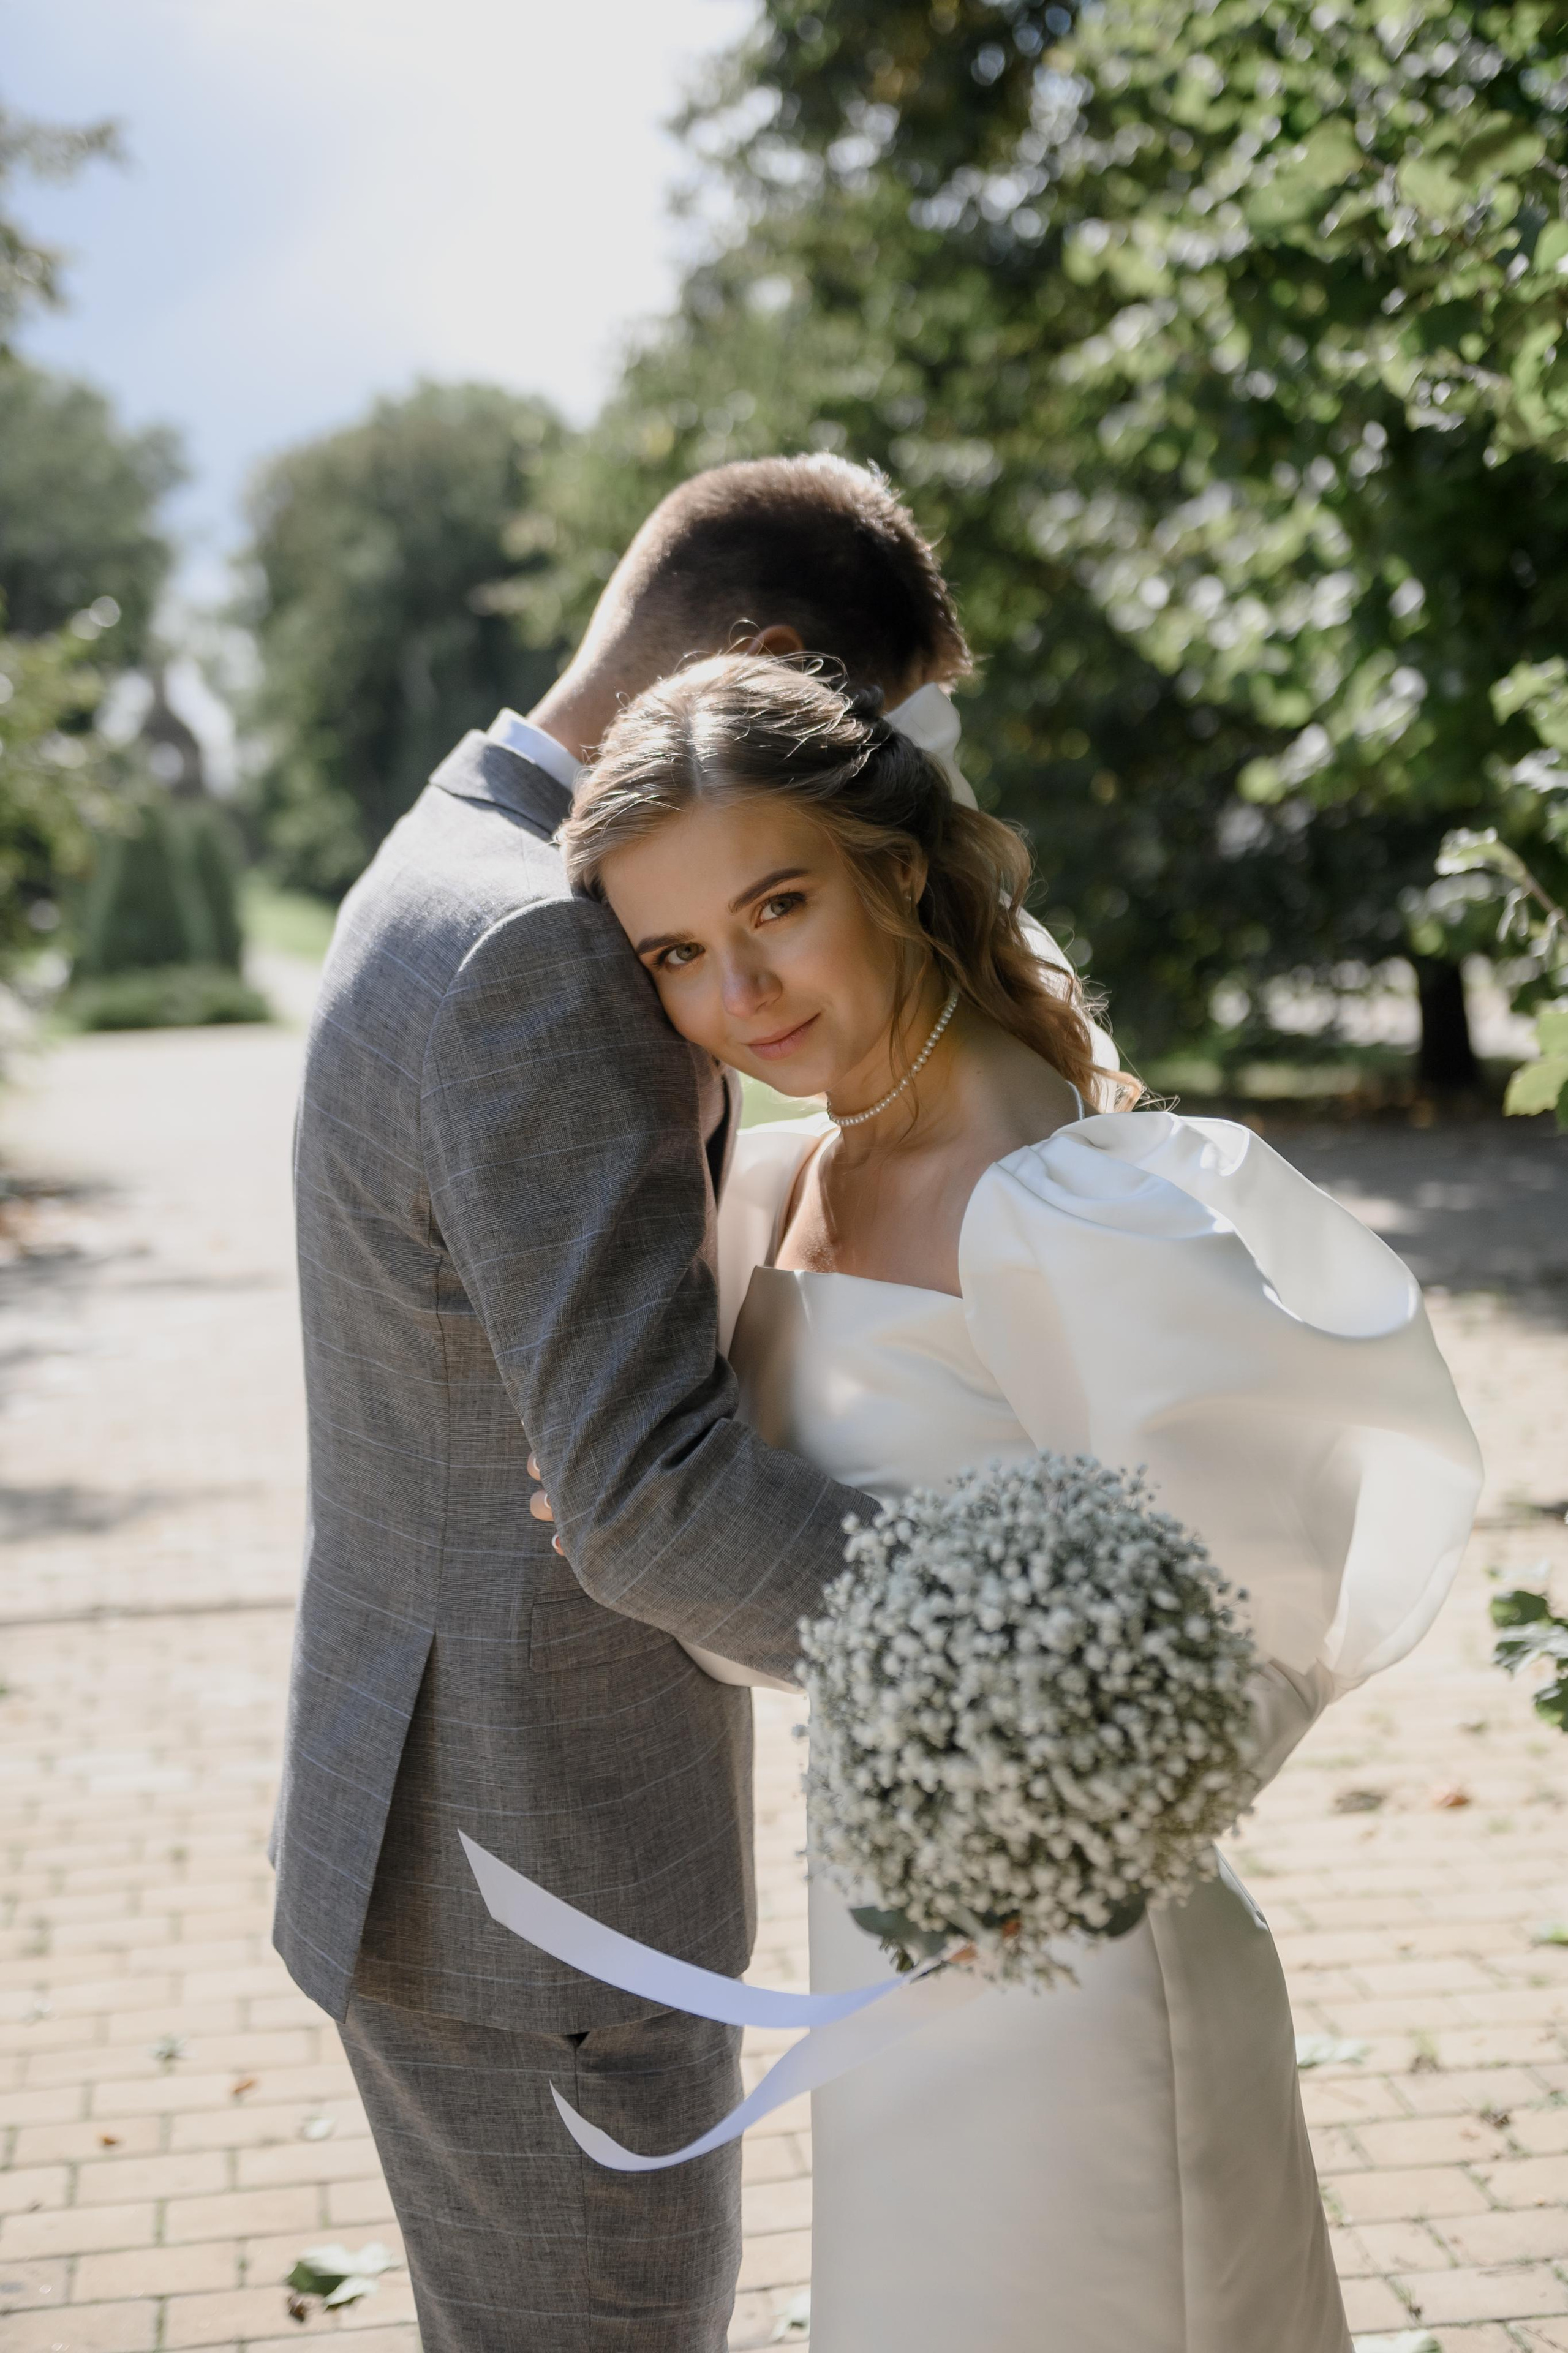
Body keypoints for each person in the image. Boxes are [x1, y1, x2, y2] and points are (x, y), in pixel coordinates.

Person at [558, 653, 1484, 2352]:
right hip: (890, 1932)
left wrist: (1051, 1814)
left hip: (1076, 1961)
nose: (740, 988)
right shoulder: (774, 1177)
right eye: (675, 952)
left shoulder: (1050, 1198)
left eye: (778, 904)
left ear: (894, 867)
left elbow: (1248, 1584)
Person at [271, 456, 1008, 2352]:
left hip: (453, 1838)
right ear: (763, 660)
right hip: (548, 1888)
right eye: (869, 718)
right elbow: (646, 1501)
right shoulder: (543, 950)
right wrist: (1031, 1651)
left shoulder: (444, 849)